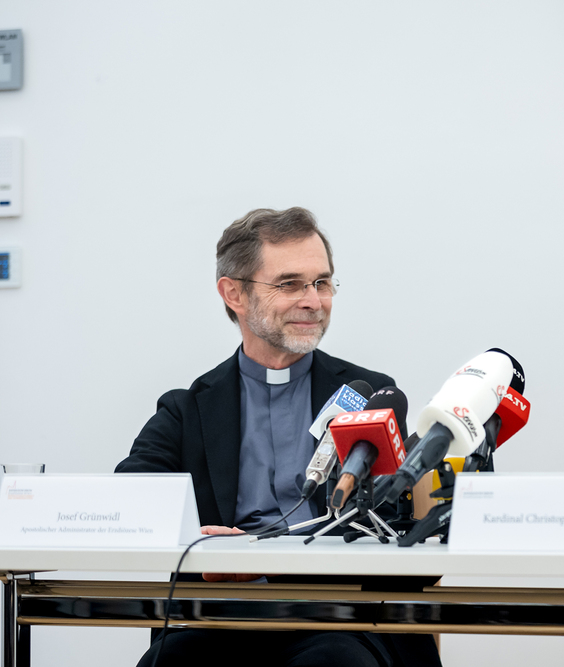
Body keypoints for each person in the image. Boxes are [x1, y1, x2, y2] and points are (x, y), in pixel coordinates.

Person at [117, 207, 440, 667]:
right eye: (290, 284)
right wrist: (208, 546)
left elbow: (389, 519)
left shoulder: (370, 395)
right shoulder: (188, 409)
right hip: (219, 620)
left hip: (339, 619)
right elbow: (133, 501)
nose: (313, 301)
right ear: (234, 294)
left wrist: (268, 563)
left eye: (321, 283)